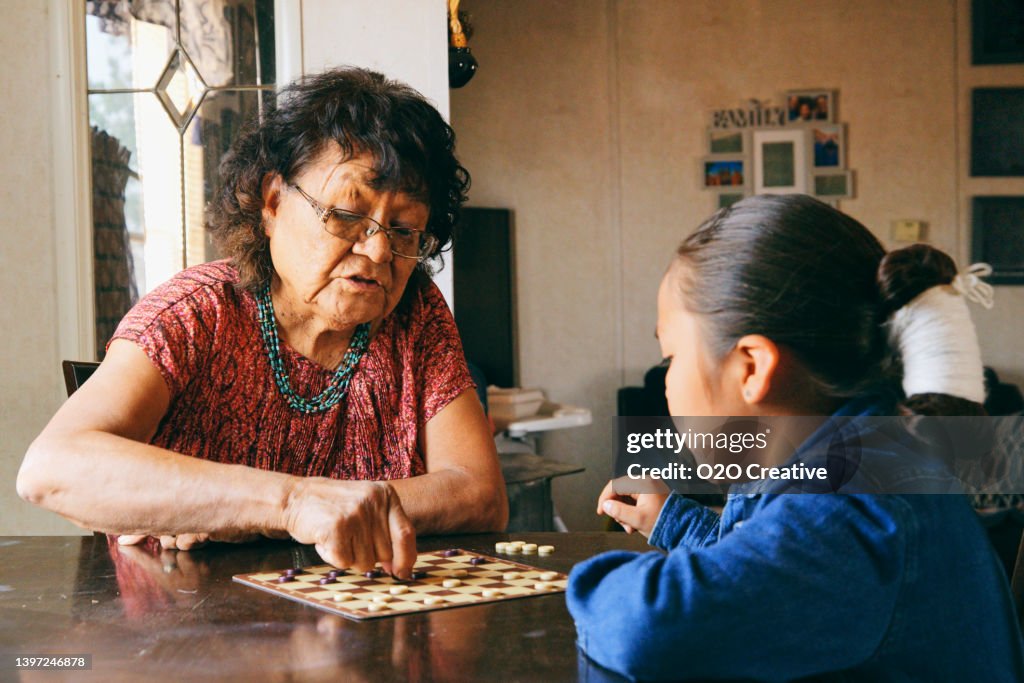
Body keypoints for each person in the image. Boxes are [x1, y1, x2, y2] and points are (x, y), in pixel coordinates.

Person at [17, 67, 508, 579]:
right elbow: (52, 468)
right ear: (272, 203)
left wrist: (269, 511)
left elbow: (479, 494)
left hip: (358, 629)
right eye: (345, 214)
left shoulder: (415, 316)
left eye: (405, 229)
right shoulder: (196, 313)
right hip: (187, 632)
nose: (380, 249)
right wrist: (291, 503)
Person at [567, 195, 1023, 680]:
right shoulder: (848, 462)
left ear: (753, 367)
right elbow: (766, 569)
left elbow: (651, 630)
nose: (666, 380)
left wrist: (584, 583)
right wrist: (673, 522)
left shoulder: (856, 503)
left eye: (670, 359)